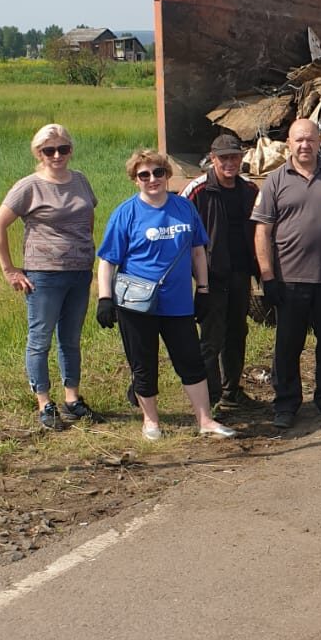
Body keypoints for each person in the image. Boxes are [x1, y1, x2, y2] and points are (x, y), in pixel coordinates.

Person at [94, 150, 235, 441]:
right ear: (135, 180)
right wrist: (104, 299)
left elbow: (198, 251)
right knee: (143, 363)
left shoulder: (184, 208)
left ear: (167, 174)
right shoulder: (126, 212)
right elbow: (107, 260)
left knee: (191, 360)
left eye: (158, 173)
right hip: (137, 304)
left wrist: (204, 290)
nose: (152, 179)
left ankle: (205, 419)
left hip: (178, 302)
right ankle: (150, 421)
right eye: (143, 175)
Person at [253, 118, 321, 429]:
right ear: (288, 143)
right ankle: (286, 404)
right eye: (299, 140)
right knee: (288, 345)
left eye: (310, 140)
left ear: (320, 142)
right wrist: (267, 275)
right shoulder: (275, 180)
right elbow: (262, 232)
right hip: (290, 280)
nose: (305, 145)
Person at [0, 123, 98, 432]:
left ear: (71, 150)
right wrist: (10, 269)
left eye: (63, 149)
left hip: (79, 271)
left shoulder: (80, 180)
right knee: (40, 340)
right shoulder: (28, 186)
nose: (57, 155)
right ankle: (44, 402)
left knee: (71, 339)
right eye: (49, 150)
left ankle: (73, 400)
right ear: (39, 153)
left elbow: (89, 214)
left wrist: (83, 249)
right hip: (43, 275)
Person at [180, 133, 259, 415]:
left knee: (238, 332)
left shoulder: (249, 190)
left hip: (240, 272)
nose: (230, 163)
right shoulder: (197, 190)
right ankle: (209, 398)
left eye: (234, 157)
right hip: (209, 276)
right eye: (224, 158)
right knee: (211, 337)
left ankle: (232, 391)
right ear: (212, 159)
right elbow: (178, 228)